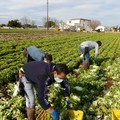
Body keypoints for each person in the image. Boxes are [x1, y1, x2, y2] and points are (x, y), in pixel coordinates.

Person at [13, 46, 54, 120]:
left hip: (34, 74)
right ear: (45, 59)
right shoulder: (39, 59)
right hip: (25, 74)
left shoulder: (47, 65)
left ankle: (45, 107)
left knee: (41, 92)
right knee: (31, 101)